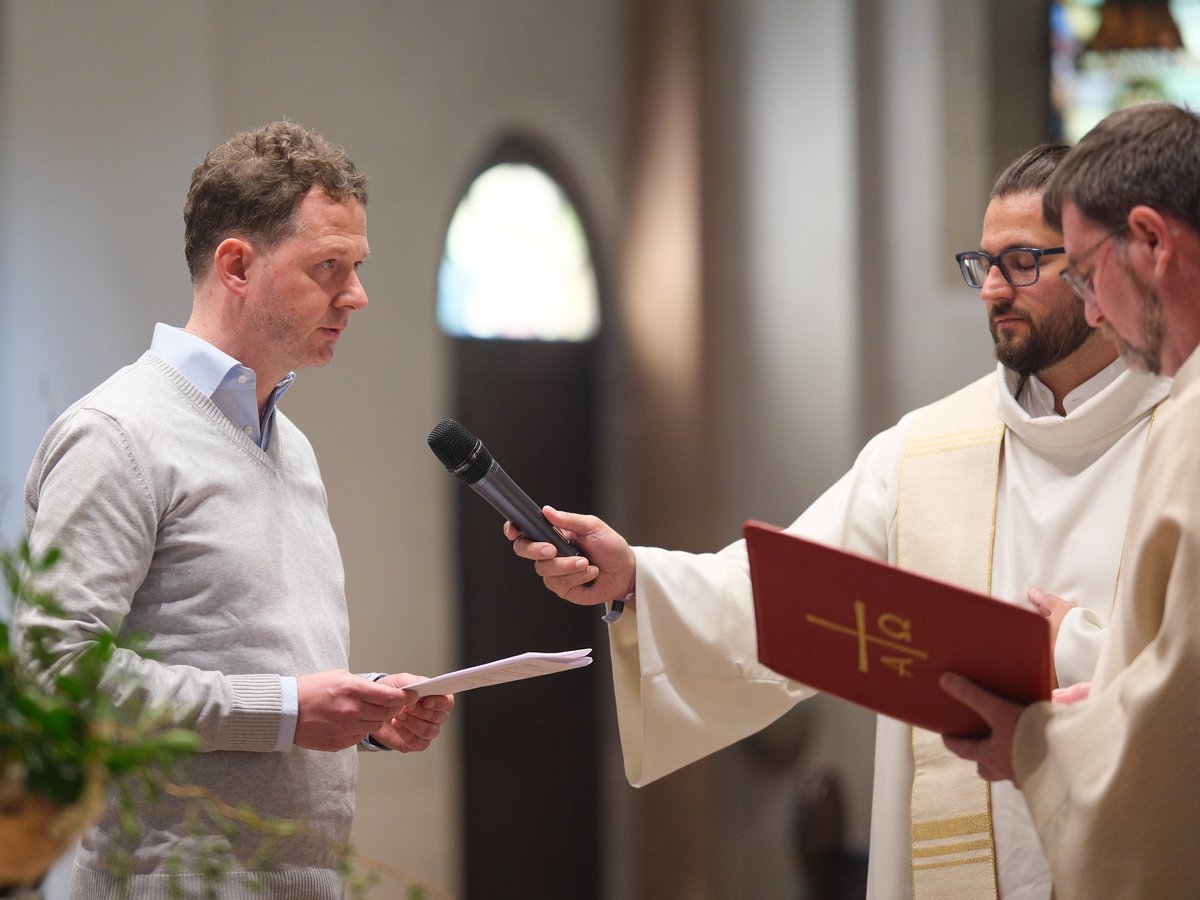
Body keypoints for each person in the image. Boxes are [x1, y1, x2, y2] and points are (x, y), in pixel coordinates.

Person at [507, 144, 1172, 899]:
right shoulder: (924, 450)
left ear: (1095, 267)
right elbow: (787, 598)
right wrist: (636, 578)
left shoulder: (1177, 436)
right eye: (980, 263)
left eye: (1022, 262)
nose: (991, 289)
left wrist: (1070, 653)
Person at [16, 121, 454, 899]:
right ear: (237, 265)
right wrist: (286, 711)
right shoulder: (118, 434)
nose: (356, 296)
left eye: (355, 267)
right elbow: (53, 676)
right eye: (328, 267)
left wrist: (360, 711)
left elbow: (245, 656)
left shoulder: (294, 448)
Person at [941, 102, 1200, 898]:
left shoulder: (1188, 422)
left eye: (1085, 274)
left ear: (1152, 242)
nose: (1091, 310)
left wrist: (1036, 745)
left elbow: (1182, 722)